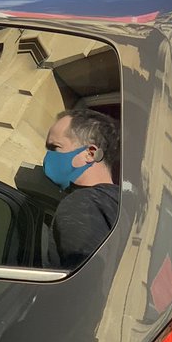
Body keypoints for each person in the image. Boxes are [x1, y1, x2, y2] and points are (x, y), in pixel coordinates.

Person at [43, 108, 120, 269]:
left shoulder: (81, 203)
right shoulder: (121, 205)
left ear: (90, 154)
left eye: (55, 148)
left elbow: (84, 286)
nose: (47, 157)